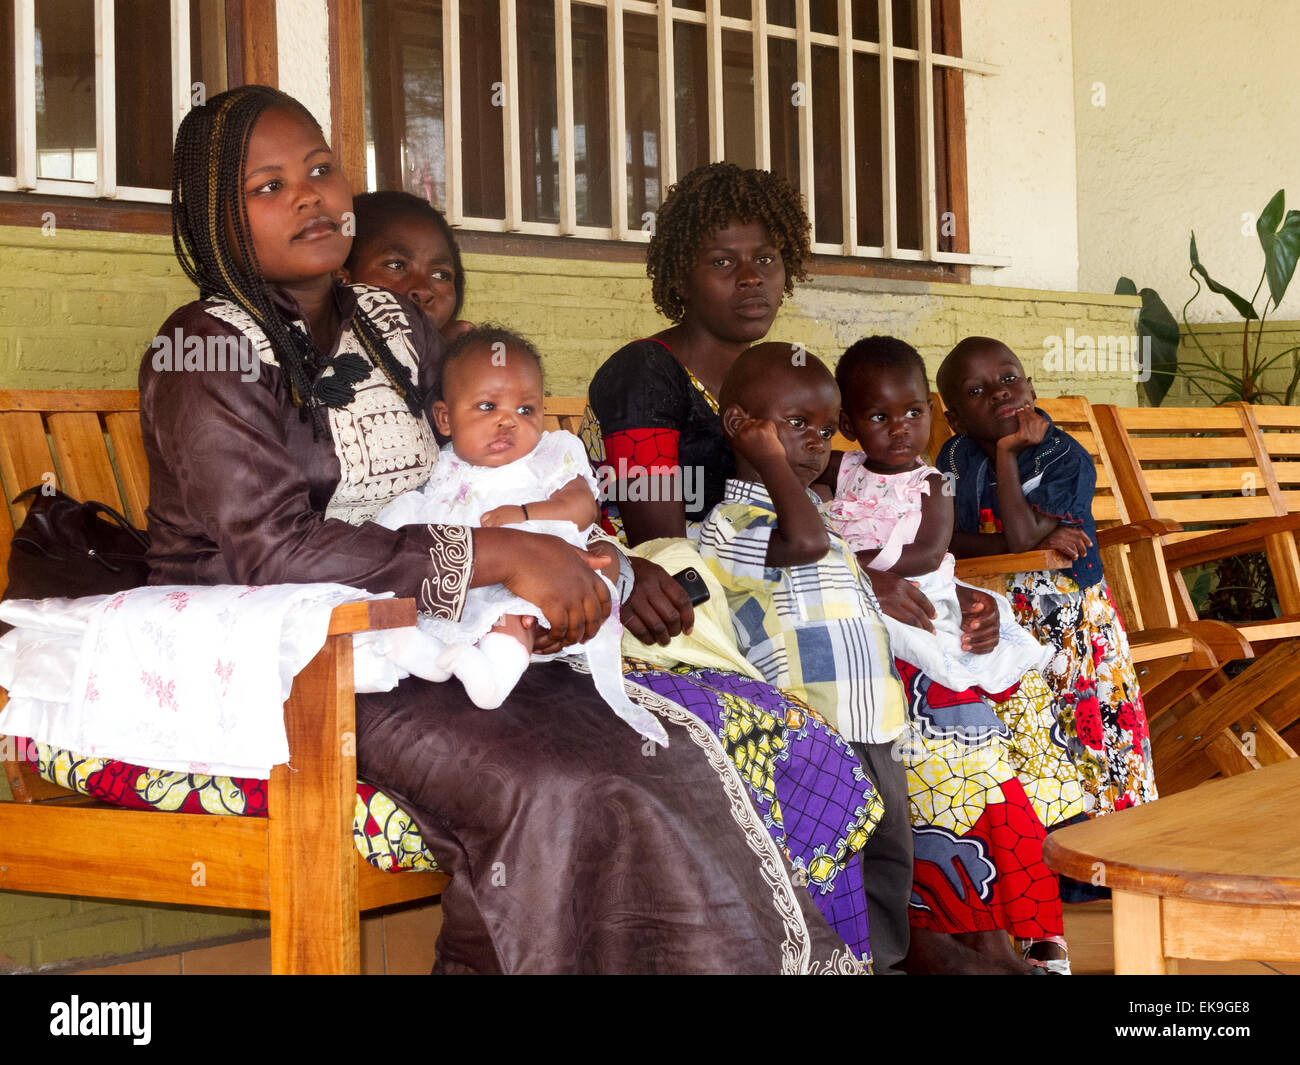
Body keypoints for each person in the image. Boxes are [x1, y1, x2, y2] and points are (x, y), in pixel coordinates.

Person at [140, 83, 864, 973]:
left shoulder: (393, 327)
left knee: (661, 749)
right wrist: (504, 554)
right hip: (301, 657)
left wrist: (575, 546)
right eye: (268, 185)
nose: (310, 196)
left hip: (440, 625)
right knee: (564, 785)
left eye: (322, 171)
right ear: (216, 214)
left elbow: (476, 465)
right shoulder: (206, 352)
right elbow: (273, 550)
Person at [832, 336, 1086, 974]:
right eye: (879, 417)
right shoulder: (836, 470)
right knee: (964, 745)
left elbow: (926, 556)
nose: (900, 429)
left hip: (925, 600)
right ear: (848, 424)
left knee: (1002, 741)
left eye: (913, 413)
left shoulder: (935, 479)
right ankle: (966, 936)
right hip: (875, 623)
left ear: (931, 413)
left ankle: (1020, 929)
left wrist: (858, 568)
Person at [374, 325, 665, 743]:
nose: (508, 422)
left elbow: (583, 508)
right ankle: (425, 656)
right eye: (488, 406)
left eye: (526, 410)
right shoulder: (440, 467)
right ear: (444, 418)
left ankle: (492, 681)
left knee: (514, 618)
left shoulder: (550, 454)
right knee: (414, 602)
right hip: (457, 581)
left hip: (538, 579)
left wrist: (525, 512)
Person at [936, 336, 1158, 818]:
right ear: (954, 418)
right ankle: (1050, 856)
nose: (998, 393)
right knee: (1032, 738)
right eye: (976, 392)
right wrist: (1022, 545)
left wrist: (1007, 453)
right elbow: (950, 539)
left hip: (1073, 622)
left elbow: (1016, 535)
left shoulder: (1065, 457)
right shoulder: (952, 459)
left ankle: (1121, 841)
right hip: (993, 615)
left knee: (1094, 726)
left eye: (1009, 380)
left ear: (1031, 390)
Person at [339, 189, 473, 342]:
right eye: (396, 265)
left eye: (441, 275)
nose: (423, 291)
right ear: (342, 277)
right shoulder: (316, 357)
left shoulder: (456, 358)